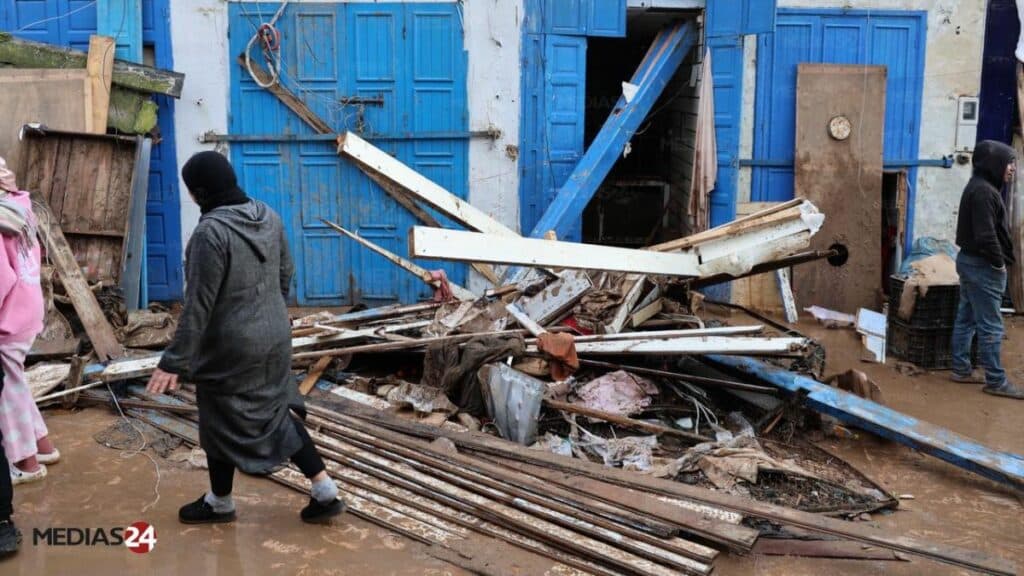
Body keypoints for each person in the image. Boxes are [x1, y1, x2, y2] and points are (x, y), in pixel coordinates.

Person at [146, 151, 346, 524]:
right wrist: (269, 311)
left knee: (219, 416)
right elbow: (285, 272)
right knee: (274, 410)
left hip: (232, 343)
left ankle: (220, 502)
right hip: (274, 333)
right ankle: (323, 488)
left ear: (199, 193)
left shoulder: (211, 233)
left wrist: (173, 361)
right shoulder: (268, 215)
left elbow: (198, 305)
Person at [0, 158, 59, 486]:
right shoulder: (17, 209)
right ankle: (42, 447)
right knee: (15, 382)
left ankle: (26, 463)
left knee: (7, 392)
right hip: (27, 309)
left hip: (8, 316)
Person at [951, 140, 1024, 399]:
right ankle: (996, 380)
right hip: (982, 265)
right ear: (994, 164)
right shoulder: (984, 192)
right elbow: (985, 236)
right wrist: (999, 264)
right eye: (1009, 163)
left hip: (970, 261)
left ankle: (960, 369)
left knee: (967, 318)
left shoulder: (981, 188)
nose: (1012, 168)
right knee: (992, 325)